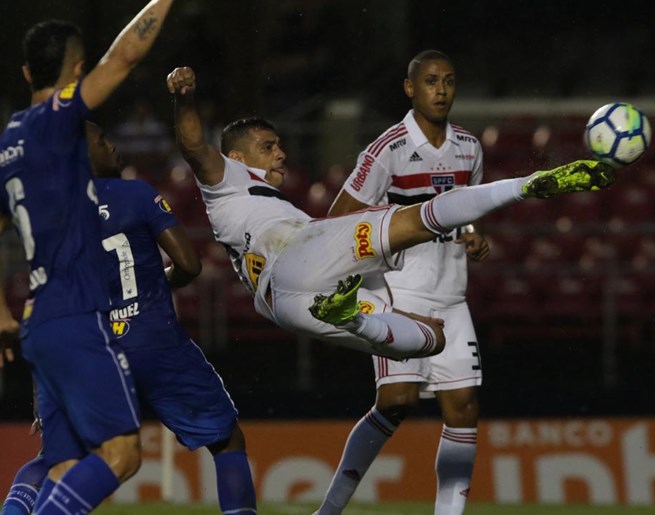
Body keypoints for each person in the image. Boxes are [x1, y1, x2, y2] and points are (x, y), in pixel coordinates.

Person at [166, 65, 616, 362]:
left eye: (280, 144)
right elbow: (192, 145)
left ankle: (353, 317)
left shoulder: (260, 200)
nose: (281, 153)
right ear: (237, 156)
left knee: (431, 340)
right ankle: (528, 185)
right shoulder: (224, 179)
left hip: (288, 306)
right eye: (268, 147)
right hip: (299, 254)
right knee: (417, 219)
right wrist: (185, 99)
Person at [1, 122, 259, 515]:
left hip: (83, 347)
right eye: (103, 140)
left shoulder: (45, 211)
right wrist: (154, 283)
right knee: (226, 441)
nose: (113, 145)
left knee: (54, 459)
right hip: (153, 341)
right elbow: (189, 265)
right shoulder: (135, 193)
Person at [0, 3, 175, 513]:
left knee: (63, 463)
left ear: (28, 71)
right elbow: (122, 58)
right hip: (78, 312)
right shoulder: (58, 120)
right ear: (77, 71)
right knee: (121, 454)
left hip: (40, 323)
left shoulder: (9, 141)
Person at [317, 49, 485, 515]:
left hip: (452, 295)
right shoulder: (386, 150)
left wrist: (473, 235)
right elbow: (337, 221)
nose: (442, 90)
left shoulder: (470, 147)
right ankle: (328, 510)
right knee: (397, 401)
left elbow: (468, 210)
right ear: (410, 88)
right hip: (398, 291)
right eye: (431, 81)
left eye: (449, 81)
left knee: (464, 407)